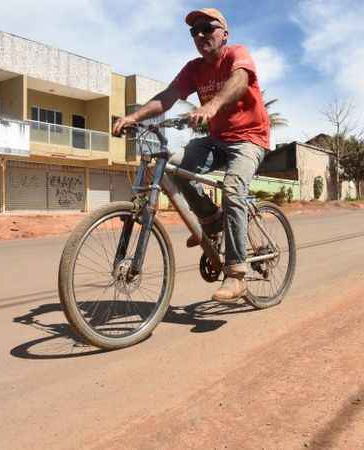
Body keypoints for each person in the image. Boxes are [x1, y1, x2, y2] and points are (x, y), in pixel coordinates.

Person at [112, 8, 270, 303]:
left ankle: (236, 274)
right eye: (193, 31)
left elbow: (239, 81)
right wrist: (135, 117)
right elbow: (168, 96)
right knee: (172, 165)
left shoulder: (237, 54)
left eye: (206, 28)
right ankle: (211, 221)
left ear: (224, 33)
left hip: (250, 138)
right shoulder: (193, 69)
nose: (200, 35)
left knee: (234, 188)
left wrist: (212, 106)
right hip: (217, 139)